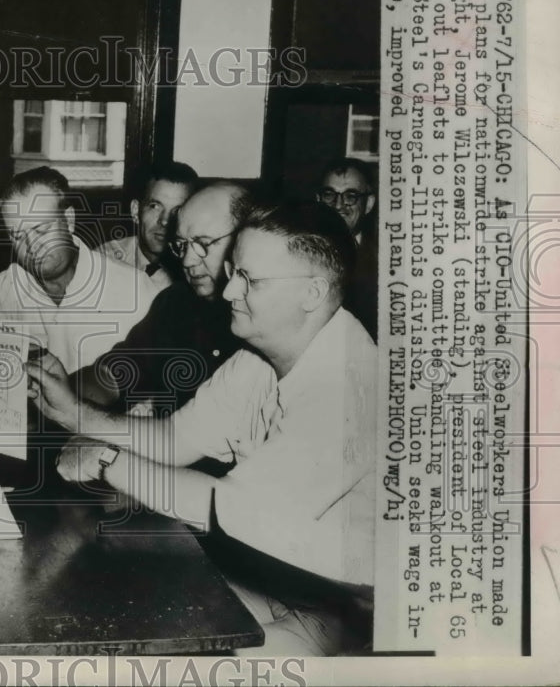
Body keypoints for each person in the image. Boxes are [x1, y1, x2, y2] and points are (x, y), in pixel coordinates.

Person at [27, 201, 376, 655]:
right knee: (121, 609)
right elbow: (175, 440)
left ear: (312, 293)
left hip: (347, 617)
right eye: (233, 272)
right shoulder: (259, 359)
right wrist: (73, 413)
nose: (229, 291)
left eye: (250, 279)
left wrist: (108, 460)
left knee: (165, 662)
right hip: (276, 579)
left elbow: (234, 509)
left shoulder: (349, 384)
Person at [74, 181, 249, 414]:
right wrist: (60, 390)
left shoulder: (263, 319)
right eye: (182, 245)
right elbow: (118, 372)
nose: (187, 260)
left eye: (203, 244)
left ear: (246, 240)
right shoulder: (176, 302)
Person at [0, 166, 157, 372]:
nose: (32, 245)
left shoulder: (136, 290)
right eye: (17, 236)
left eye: (41, 229)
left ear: (69, 220)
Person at [98, 161, 198, 292]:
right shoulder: (105, 260)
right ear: (135, 211)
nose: (165, 221)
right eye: (155, 206)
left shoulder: (198, 269)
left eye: (178, 211)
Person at [316, 157, 378, 339]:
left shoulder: (385, 259)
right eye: (329, 194)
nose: (338, 205)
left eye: (351, 196)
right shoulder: (298, 252)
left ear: (368, 204)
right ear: (318, 199)